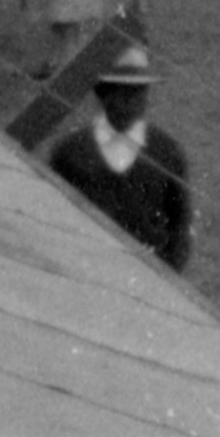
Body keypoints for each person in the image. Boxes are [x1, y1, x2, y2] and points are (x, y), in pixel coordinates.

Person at [45, 43, 192, 272]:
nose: (134, 101)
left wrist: (168, 273)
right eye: (125, 92)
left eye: (141, 92)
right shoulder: (71, 152)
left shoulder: (166, 153)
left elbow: (179, 225)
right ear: (104, 95)